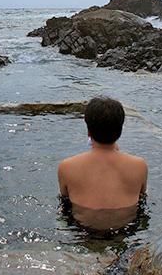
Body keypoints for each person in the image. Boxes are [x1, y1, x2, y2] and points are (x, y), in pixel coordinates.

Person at [58, 96, 148, 231]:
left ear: (88, 131)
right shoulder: (139, 165)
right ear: (120, 130)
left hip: (82, 230)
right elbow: (141, 195)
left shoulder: (67, 166)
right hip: (126, 230)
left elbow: (65, 199)